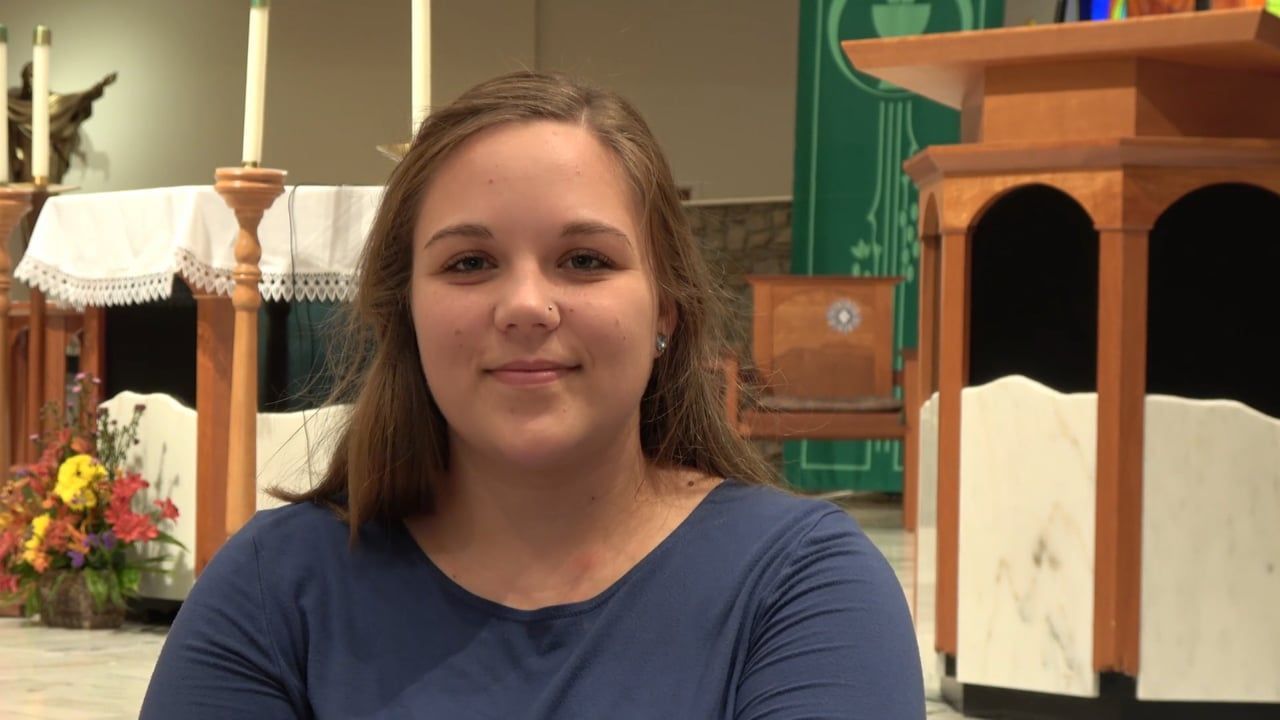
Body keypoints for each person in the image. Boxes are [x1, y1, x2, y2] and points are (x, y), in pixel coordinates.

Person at [140, 71, 924, 719]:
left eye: (583, 260)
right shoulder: (274, 590)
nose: (525, 305)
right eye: (469, 263)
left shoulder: (803, 586)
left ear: (665, 313)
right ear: (403, 314)